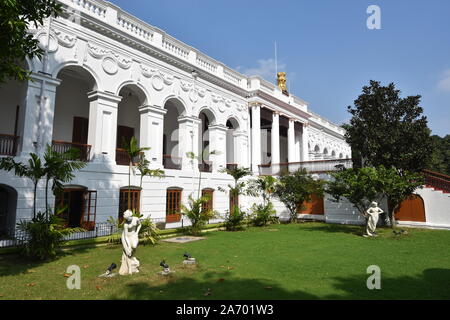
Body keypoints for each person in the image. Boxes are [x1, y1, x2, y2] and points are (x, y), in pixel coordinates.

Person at [119, 210, 141, 275]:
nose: (123, 213)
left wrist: (137, 232)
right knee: (128, 251)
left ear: (130, 215)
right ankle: (130, 269)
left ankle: (132, 258)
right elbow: (125, 236)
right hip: (126, 236)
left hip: (133, 235)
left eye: (125, 213)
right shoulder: (125, 224)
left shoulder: (136, 219)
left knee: (134, 246)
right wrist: (128, 245)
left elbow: (139, 225)